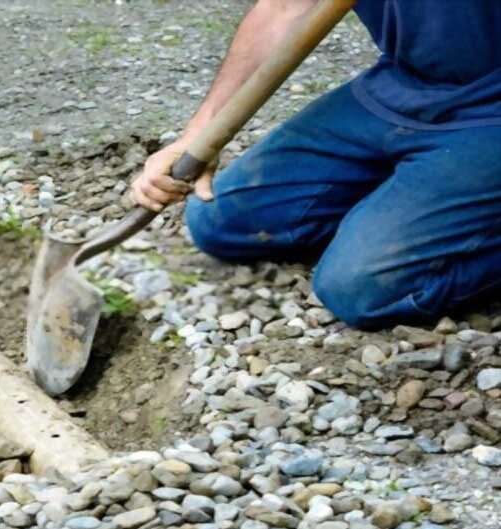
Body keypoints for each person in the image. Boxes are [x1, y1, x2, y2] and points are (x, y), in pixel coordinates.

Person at [131, 0, 501, 329]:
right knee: (217, 218)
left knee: (358, 289)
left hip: (491, 109)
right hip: (402, 85)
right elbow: (283, 9)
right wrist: (198, 136)